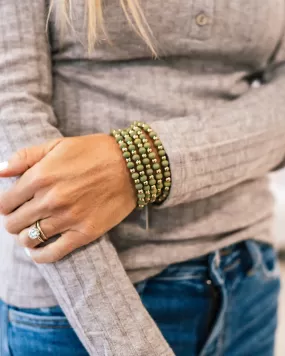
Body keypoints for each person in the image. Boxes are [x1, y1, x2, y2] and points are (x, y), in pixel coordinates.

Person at [0, 1, 284, 355]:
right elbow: (9, 106)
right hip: (85, 309)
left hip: (248, 279)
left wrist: (147, 160)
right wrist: (128, 342)